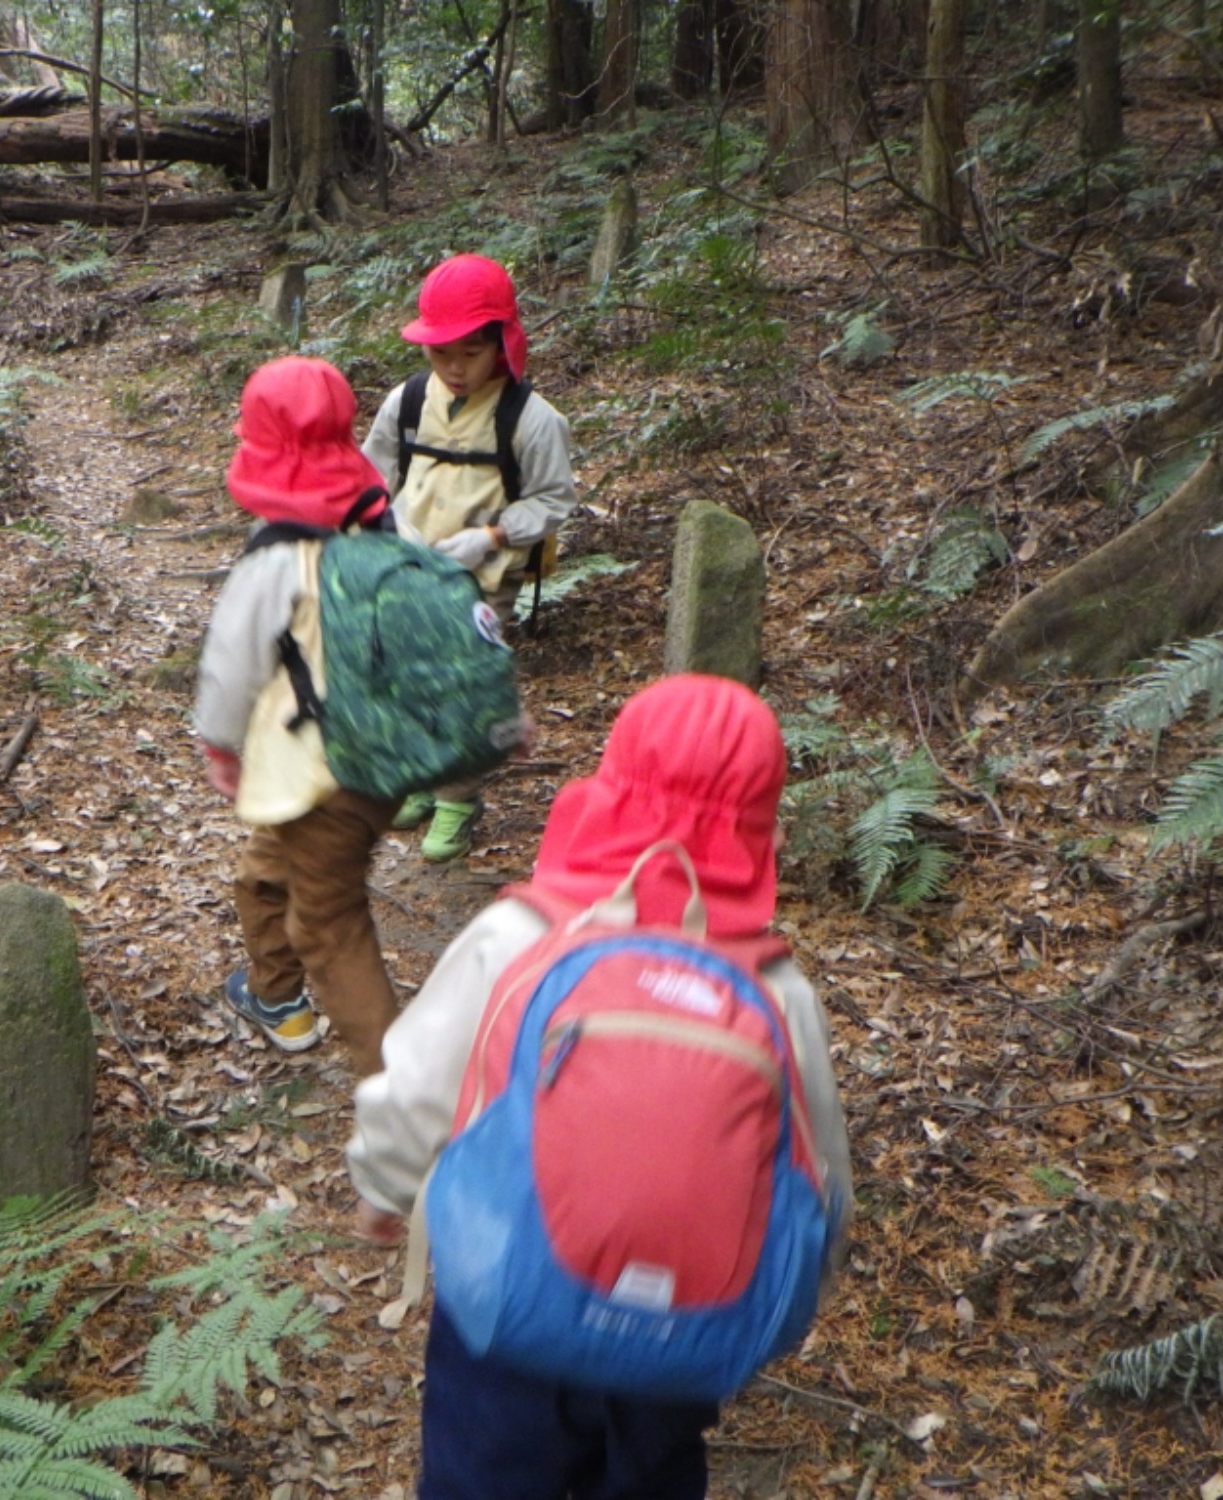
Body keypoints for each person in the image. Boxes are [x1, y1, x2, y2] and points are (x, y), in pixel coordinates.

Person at [344, 674, 852, 1500]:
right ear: (764, 821)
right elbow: (818, 1163)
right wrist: (806, 1283)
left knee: (484, 1475)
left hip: (508, 1306)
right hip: (684, 1332)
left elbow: (418, 1088)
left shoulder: (521, 933)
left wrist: (384, 1186)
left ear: (609, 781)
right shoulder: (773, 986)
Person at [194, 356, 403, 1075]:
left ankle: (407, 1089)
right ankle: (274, 996)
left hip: (323, 767)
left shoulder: (274, 562)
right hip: (385, 754)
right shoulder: (380, 522)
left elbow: (230, 669)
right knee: (265, 870)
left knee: (332, 925)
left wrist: (221, 746)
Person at [361, 253, 579, 864]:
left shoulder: (531, 420)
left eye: (471, 353)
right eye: (441, 354)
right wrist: (387, 519)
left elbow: (554, 499)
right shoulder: (405, 402)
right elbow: (370, 474)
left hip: (481, 580)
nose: (455, 369)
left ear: (502, 344)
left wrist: (492, 536)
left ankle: (458, 799)